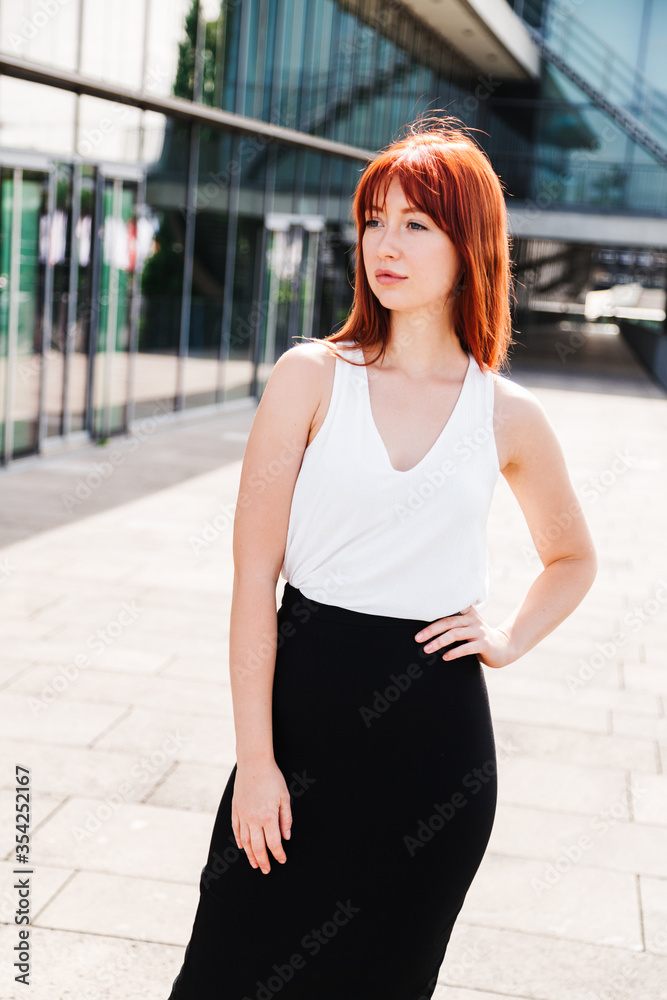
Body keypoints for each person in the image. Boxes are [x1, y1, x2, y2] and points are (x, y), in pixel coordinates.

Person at [166, 114, 597, 1000]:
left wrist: (508, 637)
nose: (384, 245)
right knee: (225, 975)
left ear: (469, 242)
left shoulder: (505, 412)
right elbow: (255, 579)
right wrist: (256, 761)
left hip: (434, 753)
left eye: (416, 223)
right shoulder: (311, 377)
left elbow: (571, 557)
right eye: (374, 220)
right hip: (301, 721)